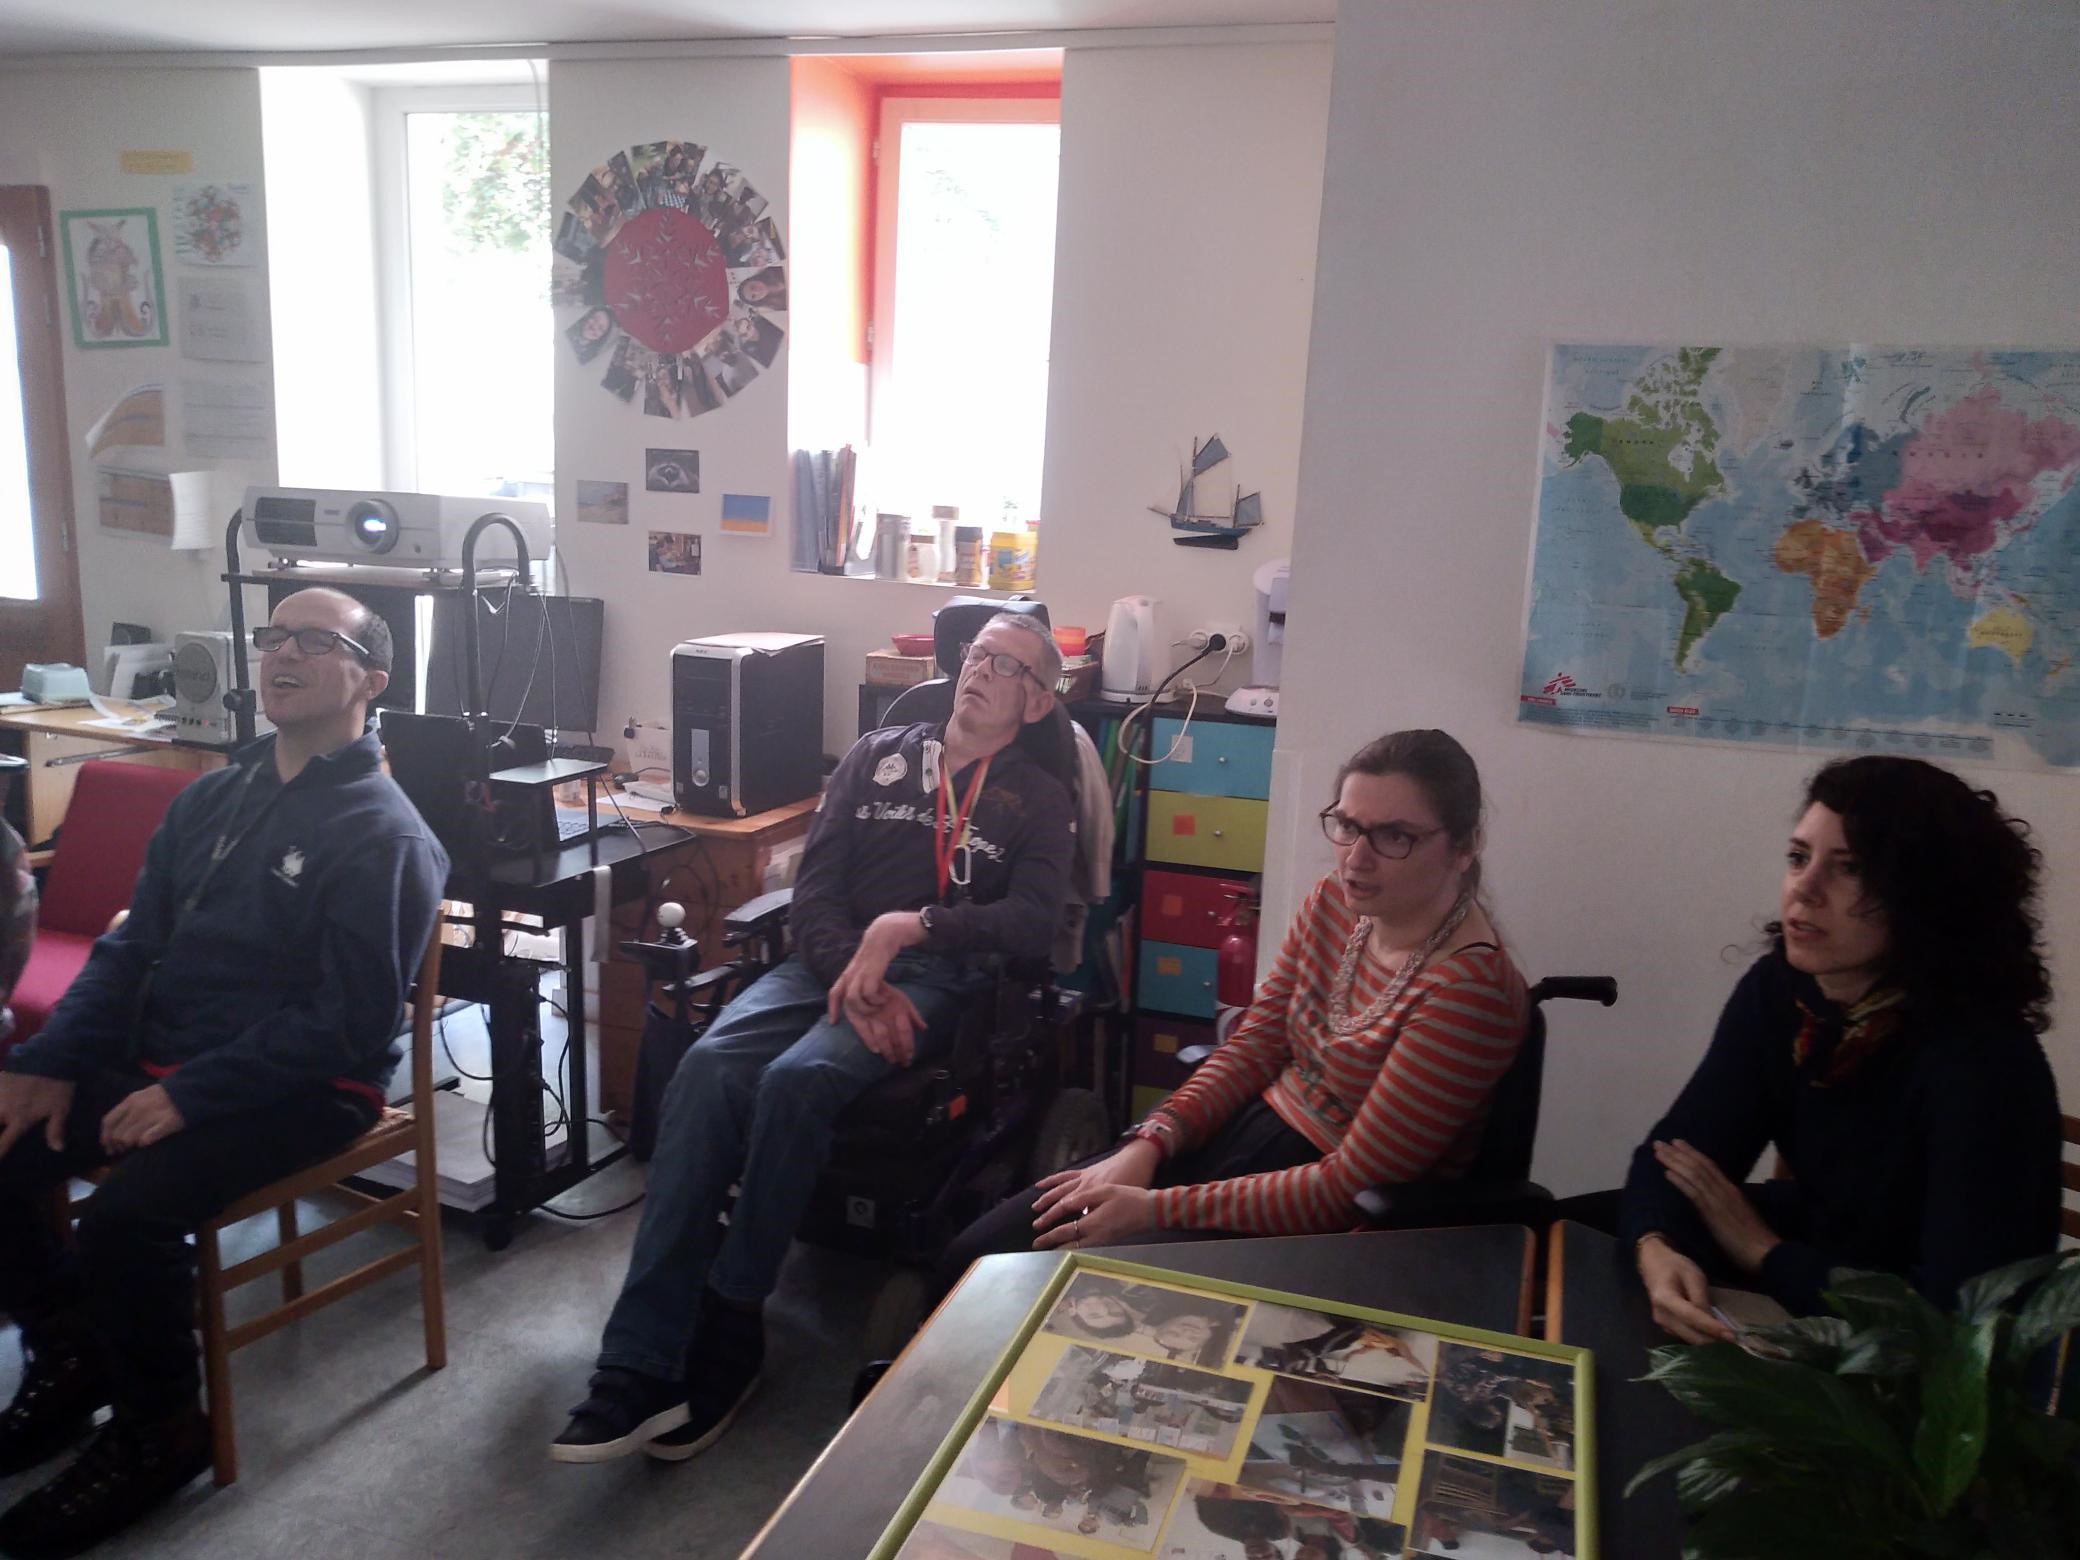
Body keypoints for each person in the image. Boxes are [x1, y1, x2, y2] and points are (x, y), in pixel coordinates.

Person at [550, 612, 1074, 1466]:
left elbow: (1032, 922)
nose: (982, 670)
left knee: (798, 1079)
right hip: (827, 966)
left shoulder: (1039, 798)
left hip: (938, 979)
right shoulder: (876, 756)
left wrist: (910, 929)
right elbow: (818, 889)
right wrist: (852, 972)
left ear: (1040, 702)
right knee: (708, 1066)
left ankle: (732, 1323)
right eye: (978, 655)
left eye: (1009, 666)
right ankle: (636, 1358)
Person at [0, 587, 447, 1556]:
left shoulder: (385, 833)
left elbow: (347, 1023)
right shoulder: (210, 798)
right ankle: (74, 1353)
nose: (282, 653)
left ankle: (160, 1431)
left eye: (314, 641)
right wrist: (50, 1063)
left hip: (309, 1090)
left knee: (126, 1220)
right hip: (169, 1056)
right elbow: (129, 949)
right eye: (273, 636)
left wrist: (187, 1095)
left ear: (371, 679)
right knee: (4, 1140)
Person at [936, 729, 1529, 1276]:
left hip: (1323, 1220)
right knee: (979, 1255)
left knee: (1046, 1286)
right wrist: (1151, 1141)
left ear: (1464, 847)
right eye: (1348, 825)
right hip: (1242, 1142)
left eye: (1394, 836)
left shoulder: (1468, 992)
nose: (1355, 858)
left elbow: (1350, 1186)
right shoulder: (1336, 902)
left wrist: (1155, 1209)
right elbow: (1254, 1046)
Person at [1620, 755, 2061, 1342]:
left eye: (1850, 867)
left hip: (1920, 1364)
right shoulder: (1783, 992)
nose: (1804, 888)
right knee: (1577, 1239)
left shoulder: (1985, 1063)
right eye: (1798, 857)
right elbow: (1679, 1155)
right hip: (1816, 1282)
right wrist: (1657, 1248)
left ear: (1925, 896)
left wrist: (1766, 1253)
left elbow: (1954, 1322)